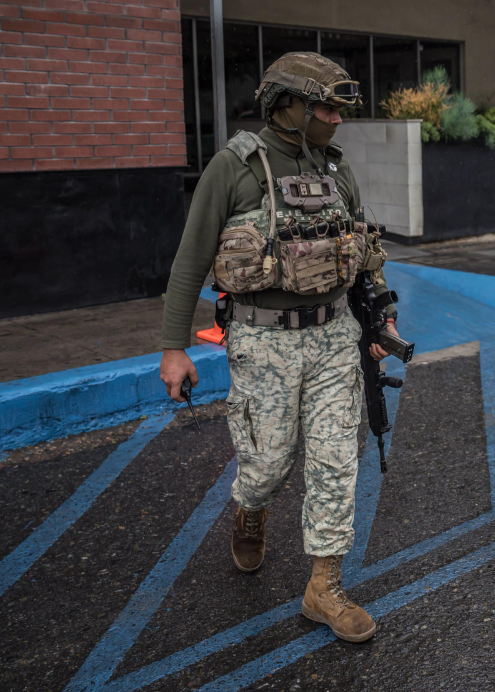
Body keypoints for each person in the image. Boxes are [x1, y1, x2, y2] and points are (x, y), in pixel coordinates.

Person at [158, 52, 400, 643]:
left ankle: (324, 586)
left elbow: (363, 257)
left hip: (335, 339)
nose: (335, 119)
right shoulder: (233, 168)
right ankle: (250, 506)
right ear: (287, 107)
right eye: (324, 107)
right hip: (263, 341)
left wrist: (380, 323)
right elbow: (191, 260)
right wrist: (172, 347)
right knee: (267, 462)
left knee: (336, 462)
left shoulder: (338, 173)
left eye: (339, 110)